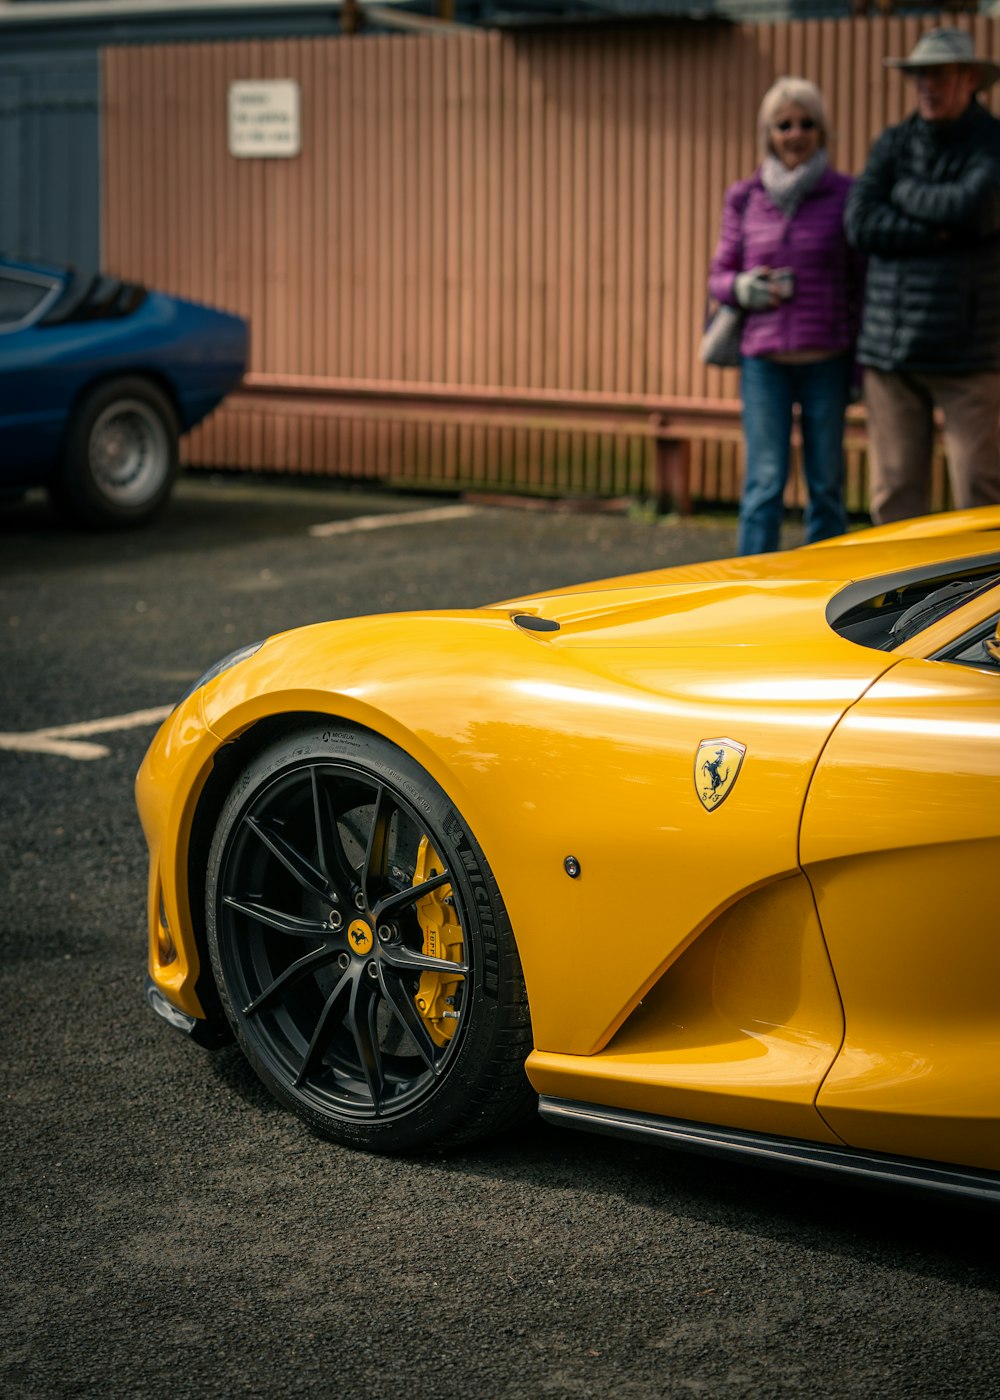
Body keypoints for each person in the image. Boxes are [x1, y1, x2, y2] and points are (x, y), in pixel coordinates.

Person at [845, 28, 1000, 525]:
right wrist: (939, 232)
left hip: (972, 353)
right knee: (893, 498)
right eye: (919, 77)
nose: (926, 86)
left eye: (938, 75)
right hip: (892, 352)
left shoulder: (993, 143)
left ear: (969, 78)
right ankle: (897, 602)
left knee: (981, 496)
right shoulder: (893, 142)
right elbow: (860, 222)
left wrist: (904, 193)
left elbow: (972, 208)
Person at [708, 77, 862, 555]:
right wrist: (742, 287)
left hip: (828, 362)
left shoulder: (846, 193)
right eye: (783, 125)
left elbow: (862, 283)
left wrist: (858, 366)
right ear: (767, 134)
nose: (795, 134)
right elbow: (718, 276)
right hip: (764, 363)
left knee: (826, 485)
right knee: (765, 482)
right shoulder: (745, 196)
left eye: (806, 123)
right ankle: (753, 591)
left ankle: (831, 591)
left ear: (823, 131)